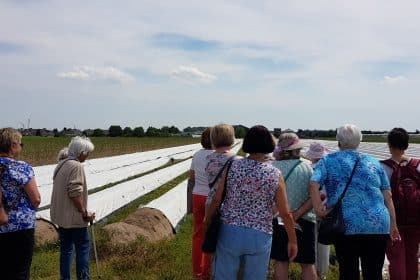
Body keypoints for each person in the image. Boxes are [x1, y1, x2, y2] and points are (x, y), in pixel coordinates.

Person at [205, 125, 298, 279]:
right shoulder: (274, 174)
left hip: (229, 230)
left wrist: (207, 220)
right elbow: (285, 212)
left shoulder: (233, 166)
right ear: (269, 144)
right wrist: (293, 241)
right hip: (260, 234)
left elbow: (216, 199)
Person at [309, 124, 400, 280]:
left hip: (345, 224)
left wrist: (319, 210)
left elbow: (313, 183)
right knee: (374, 272)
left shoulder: (328, 161)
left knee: (348, 271)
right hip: (377, 223)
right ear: (359, 141)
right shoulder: (373, 162)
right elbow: (387, 195)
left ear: (338, 141)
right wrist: (393, 224)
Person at [271, 133, 317, 280]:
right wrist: (298, 213)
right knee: (307, 263)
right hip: (305, 220)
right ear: (296, 150)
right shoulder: (307, 168)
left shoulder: (272, 168)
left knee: (281, 260)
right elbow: (313, 198)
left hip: (279, 220)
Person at [50, 136, 96, 280]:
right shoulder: (76, 166)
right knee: (82, 248)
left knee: (66, 250)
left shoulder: (61, 164)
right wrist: (84, 212)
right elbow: (75, 193)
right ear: (81, 152)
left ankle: (65, 278)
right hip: (74, 219)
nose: (87, 156)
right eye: (87, 152)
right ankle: (83, 278)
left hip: (62, 218)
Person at [0, 127, 41, 280]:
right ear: (12, 145)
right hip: (21, 227)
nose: (21, 148)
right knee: (20, 271)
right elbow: (36, 199)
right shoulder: (21, 168)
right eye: (20, 144)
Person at [381, 128, 420, 280]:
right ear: (407, 145)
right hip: (415, 221)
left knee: (396, 258)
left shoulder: (383, 167)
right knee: (412, 257)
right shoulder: (417, 166)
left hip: (392, 221)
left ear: (389, 145)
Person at [189, 128, 213, 279]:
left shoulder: (197, 155)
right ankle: (208, 271)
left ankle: (197, 271)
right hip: (212, 198)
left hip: (197, 195)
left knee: (198, 234)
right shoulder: (217, 156)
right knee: (212, 234)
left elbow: (191, 176)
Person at [304, 142, 331, 278]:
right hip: (327, 209)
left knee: (312, 241)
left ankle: (312, 270)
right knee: (324, 242)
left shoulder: (308, 169)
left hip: (311, 209)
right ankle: (323, 272)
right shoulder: (329, 169)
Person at [205, 124, 236, 210]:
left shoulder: (209, 158)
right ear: (231, 139)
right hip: (229, 205)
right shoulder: (237, 160)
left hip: (210, 203)